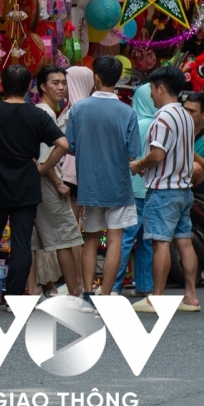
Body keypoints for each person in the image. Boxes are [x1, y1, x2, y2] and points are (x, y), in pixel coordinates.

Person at [0, 64, 68, 303]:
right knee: (21, 243)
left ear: (0, 85)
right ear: (29, 87)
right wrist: (43, 166)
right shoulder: (36, 114)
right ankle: (16, 297)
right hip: (26, 186)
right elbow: (63, 145)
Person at [65, 55, 140, 306]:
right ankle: (106, 295)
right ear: (118, 79)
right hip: (118, 183)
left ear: (95, 77)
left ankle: (88, 294)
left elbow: (71, 146)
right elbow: (133, 152)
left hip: (89, 183)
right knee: (115, 238)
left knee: (91, 237)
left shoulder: (78, 109)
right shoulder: (128, 112)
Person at [129, 66, 202, 313]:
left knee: (160, 243)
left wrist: (139, 164)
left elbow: (157, 154)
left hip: (163, 190)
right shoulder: (186, 116)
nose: (150, 95)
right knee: (185, 243)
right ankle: (190, 296)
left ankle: (156, 298)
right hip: (183, 189)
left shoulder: (162, 118)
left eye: (151, 88)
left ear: (161, 88)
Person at [29, 65, 86, 297]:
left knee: (32, 240)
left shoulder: (42, 112)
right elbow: (42, 159)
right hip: (48, 186)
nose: (61, 87)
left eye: (63, 83)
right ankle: (74, 291)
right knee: (65, 236)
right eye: (55, 83)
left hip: (34, 185)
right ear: (42, 87)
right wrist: (58, 182)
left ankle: (33, 290)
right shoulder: (45, 114)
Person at [111, 83, 155, 297]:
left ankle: (114, 285)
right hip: (152, 189)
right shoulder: (160, 123)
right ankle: (145, 286)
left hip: (132, 189)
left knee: (124, 239)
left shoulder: (134, 124)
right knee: (147, 241)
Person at [60, 65, 95, 223]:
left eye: (65, 82)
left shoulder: (76, 111)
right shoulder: (85, 109)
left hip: (70, 174)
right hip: (77, 173)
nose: (61, 87)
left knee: (70, 224)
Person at [186, 91, 204, 193]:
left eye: (192, 111)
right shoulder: (177, 127)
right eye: (185, 109)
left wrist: (188, 152)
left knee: (195, 168)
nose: (187, 114)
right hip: (177, 176)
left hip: (203, 183)